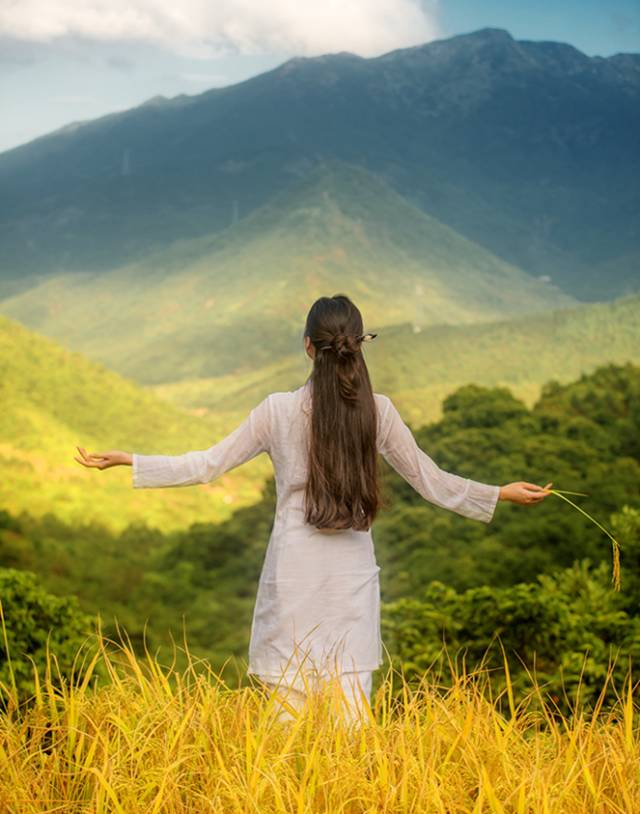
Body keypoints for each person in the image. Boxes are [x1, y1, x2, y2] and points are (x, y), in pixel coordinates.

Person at [74, 293, 552, 725]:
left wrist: (132, 461)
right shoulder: (378, 411)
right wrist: (499, 492)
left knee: (285, 728)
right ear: (359, 345)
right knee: (350, 721)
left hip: (293, 573)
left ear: (308, 346)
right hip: (350, 578)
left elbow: (206, 465)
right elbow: (431, 482)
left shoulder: (276, 411)